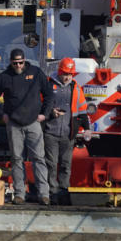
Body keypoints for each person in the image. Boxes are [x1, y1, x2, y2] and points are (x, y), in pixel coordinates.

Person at [0, 49, 54, 205]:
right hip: (14, 124)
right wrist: (1, 114)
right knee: (17, 159)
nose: (18, 65)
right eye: (15, 63)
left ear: (25, 61)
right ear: (10, 62)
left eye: (20, 63)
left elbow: (49, 94)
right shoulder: (5, 77)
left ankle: (44, 194)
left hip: (34, 123)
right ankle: (19, 194)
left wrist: (45, 114)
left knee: (39, 159)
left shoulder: (36, 73)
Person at [43, 57, 90, 206]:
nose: (67, 77)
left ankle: (63, 193)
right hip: (50, 133)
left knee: (65, 165)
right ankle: (52, 194)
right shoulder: (49, 85)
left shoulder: (75, 88)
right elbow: (40, 106)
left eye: (70, 74)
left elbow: (82, 110)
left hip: (68, 135)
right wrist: (51, 112)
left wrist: (87, 128)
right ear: (59, 72)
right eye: (65, 74)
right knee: (51, 164)